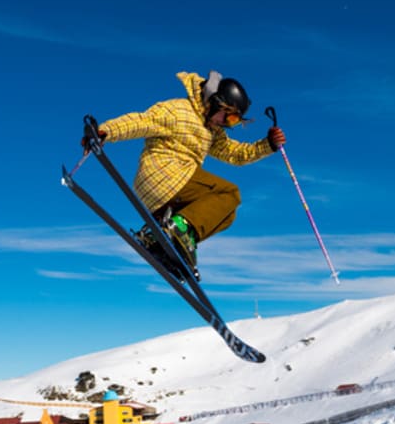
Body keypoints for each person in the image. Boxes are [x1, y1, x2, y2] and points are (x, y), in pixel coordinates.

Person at [82, 70, 285, 279]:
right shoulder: (180, 110)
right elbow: (142, 121)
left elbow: (235, 154)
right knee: (229, 193)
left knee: (226, 214)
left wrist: (268, 145)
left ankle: (162, 242)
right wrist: (105, 131)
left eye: (233, 122)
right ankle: (179, 229)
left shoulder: (211, 131)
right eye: (230, 117)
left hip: (157, 197)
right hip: (165, 174)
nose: (226, 123)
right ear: (216, 103)